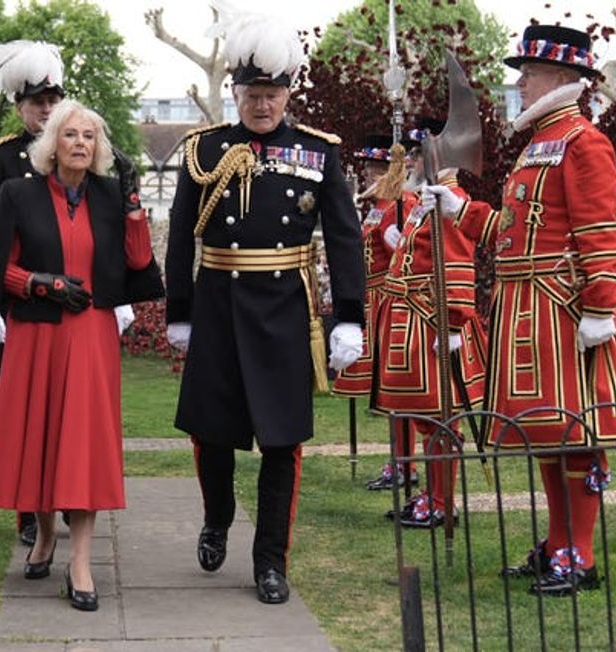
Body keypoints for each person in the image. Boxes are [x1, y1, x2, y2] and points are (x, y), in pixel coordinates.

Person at [423, 25, 616, 595]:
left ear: (563, 79)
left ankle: (581, 555)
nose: (519, 82)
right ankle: (558, 542)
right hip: (527, 309)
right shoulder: (537, 144)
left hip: (564, 312)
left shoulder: (583, 142)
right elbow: (512, 232)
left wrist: (600, 307)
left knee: (578, 433)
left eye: (530, 72)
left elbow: (601, 234)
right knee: (547, 433)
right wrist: (458, 208)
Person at [164, 13, 366, 604]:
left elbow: (345, 237)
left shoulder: (317, 152)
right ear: (236, 92)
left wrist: (348, 315)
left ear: (287, 93)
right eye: (253, 94)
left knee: (282, 442)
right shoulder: (205, 150)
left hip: (284, 310)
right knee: (211, 433)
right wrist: (180, 310)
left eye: (273, 94)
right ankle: (218, 516)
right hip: (220, 305)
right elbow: (181, 236)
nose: (262, 104)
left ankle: (270, 561)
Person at [0, 99, 163, 612]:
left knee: (84, 447)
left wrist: (135, 206)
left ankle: (80, 561)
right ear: (52, 142)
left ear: (99, 147)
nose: (81, 142)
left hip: (92, 335)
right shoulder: (18, 193)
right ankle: (44, 535)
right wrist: (40, 283)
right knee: (41, 438)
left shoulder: (106, 195)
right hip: (37, 333)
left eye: (90, 136)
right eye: (71, 134)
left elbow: (137, 262)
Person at [0, 40, 65, 547]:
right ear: (19, 107)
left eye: (52, 101)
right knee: (22, 411)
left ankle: (69, 495)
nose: (46, 110)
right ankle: (27, 511)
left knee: (70, 409)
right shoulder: (2, 162)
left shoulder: (78, 154)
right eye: (36, 103)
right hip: (20, 304)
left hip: (73, 305)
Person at [371, 117, 488, 528]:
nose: (414, 161)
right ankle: (432, 495)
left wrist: (454, 326)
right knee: (426, 418)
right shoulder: (427, 201)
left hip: (435, 325)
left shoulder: (449, 199)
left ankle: (442, 501)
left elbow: (457, 267)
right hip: (416, 323)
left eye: (421, 154)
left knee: (441, 417)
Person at [329, 135, 421, 491]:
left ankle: (406, 463)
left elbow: (406, 256)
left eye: (375, 169)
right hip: (373, 299)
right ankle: (398, 459)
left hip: (391, 300)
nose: (367, 175)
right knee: (385, 390)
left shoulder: (402, 203)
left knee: (396, 388)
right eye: (367, 168)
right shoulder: (376, 205)